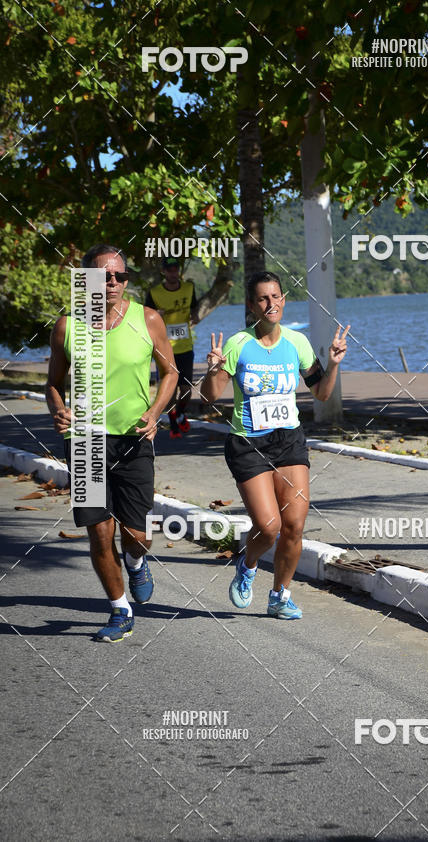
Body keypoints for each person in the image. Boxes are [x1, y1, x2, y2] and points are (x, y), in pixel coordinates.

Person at [46, 244, 178, 642]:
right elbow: (53, 383)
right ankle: (119, 609)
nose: (115, 283)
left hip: (133, 440)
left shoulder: (148, 319)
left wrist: (155, 413)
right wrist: (58, 409)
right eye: (105, 276)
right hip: (84, 441)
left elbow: (170, 373)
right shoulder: (67, 327)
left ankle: (136, 563)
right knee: (99, 532)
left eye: (121, 276)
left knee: (136, 535)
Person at [201, 271, 349, 620]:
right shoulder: (238, 344)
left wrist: (334, 364)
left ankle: (280, 595)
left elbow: (322, 394)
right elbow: (209, 398)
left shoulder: (297, 343)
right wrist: (212, 370)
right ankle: (248, 564)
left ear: (284, 300)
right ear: (252, 306)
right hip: (248, 443)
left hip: (289, 441)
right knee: (268, 527)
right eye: (263, 299)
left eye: (277, 297)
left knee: (295, 525)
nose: (272, 304)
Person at [145, 257, 200, 438]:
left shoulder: (189, 288)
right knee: (169, 388)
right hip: (164, 348)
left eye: (175, 269)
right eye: (169, 270)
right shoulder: (154, 293)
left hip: (185, 346)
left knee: (186, 389)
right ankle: (174, 423)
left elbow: (195, 308)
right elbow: (145, 318)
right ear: (164, 272)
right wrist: (156, 316)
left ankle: (180, 412)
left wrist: (194, 316)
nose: (173, 273)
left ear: (179, 271)